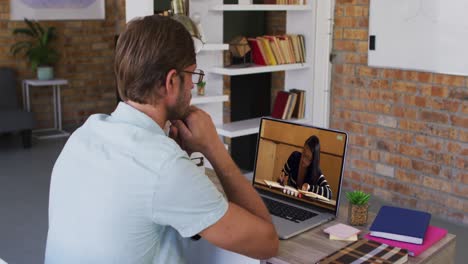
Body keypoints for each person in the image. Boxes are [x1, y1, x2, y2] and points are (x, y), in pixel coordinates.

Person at [45, 15, 278, 264]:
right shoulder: (164, 167)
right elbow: (267, 243)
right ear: (171, 82)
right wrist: (213, 147)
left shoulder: (84, 134)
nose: (192, 87)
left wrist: (174, 157)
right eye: (192, 75)